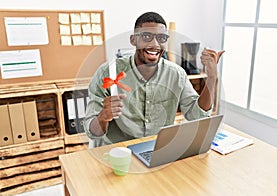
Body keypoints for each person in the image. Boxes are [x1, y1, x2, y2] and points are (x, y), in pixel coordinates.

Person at [84, 11, 221, 147]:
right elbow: (92, 132)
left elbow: (198, 117)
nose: (155, 44)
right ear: (133, 40)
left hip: (156, 151)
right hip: (118, 152)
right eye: (147, 36)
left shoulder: (176, 74)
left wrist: (212, 77)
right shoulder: (107, 73)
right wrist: (103, 117)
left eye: (161, 38)